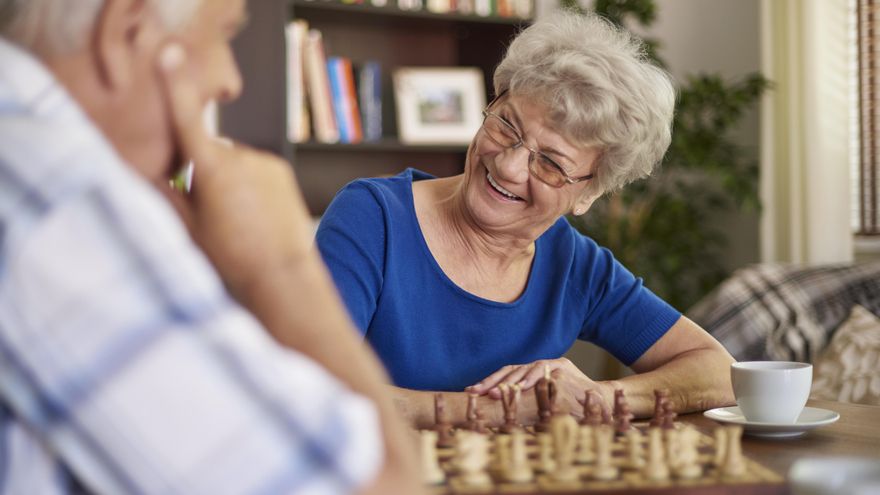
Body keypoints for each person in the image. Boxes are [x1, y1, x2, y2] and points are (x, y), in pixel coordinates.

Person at [0, 0, 425, 493]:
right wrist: (281, 265)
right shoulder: (65, 203)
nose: (231, 82)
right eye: (225, 35)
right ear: (127, 31)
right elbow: (381, 484)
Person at [316, 10, 737, 428]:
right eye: (506, 127)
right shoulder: (373, 219)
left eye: (551, 163)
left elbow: (720, 373)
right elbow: (312, 389)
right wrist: (498, 410)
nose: (510, 166)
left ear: (588, 193)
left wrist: (595, 397)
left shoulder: (575, 266)